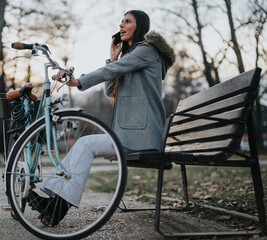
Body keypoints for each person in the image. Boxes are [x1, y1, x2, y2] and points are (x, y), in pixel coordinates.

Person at [28, 9, 175, 227]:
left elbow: (113, 71)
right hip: (132, 134)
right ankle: (54, 208)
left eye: (128, 21)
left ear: (140, 26)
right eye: (121, 21)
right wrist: (113, 57)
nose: (121, 25)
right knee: (85, 145)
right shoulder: (133, 56)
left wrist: (79, 82)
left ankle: (55, 208)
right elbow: (110, 91)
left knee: (86, 144)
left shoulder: (146, 50)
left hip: (142, 136)